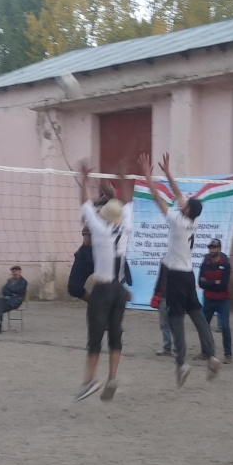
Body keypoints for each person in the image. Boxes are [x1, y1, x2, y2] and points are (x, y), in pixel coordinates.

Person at [139, 152, 219, 386]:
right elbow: (179, 197)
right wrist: (167, 172)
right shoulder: (195, 220)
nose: (182, 205)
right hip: (188, 274)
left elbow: (158, 199)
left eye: (185, 206)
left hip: (175, 275)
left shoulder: (177, 221)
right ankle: (212, 356)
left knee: (175, 318)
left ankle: (181, 362)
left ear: (187, 211)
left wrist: (147, 176)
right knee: (196, 313)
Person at [74, 163, 133, 401]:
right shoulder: (125, 227)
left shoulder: (99, 230)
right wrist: (123, 179)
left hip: (102, 290)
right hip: (119, 290)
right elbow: (127, 203)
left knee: (95, 338)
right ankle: (112, 377)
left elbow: (84, 204)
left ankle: (88, 381)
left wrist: (85, 178)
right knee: (115, 335)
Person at [198, 238, 232, 363]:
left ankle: (228, 354)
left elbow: (223, 285)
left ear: (219, 249)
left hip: (223, 300)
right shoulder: (205, 264)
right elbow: (201, 283)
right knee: (203, 327)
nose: (212, 250)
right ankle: (205, 352)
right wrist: (214, 282)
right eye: (210, 248)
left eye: (214, 248)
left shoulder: (225, 264)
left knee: (225, 327)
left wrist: (208, 283)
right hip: (209, 300)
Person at [0, 265, 28, 334]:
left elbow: (18, 290)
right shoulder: (10, 281)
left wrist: (10, 292)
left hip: (16, 300)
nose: (14, 273)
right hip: (8, 299)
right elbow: (3, 290)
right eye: (13, 272)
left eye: (15, 272)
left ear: (20, 272)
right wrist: (11, 293)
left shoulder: (23, 282)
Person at [151, 263, 174, 356]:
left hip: (176, 298)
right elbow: (160, 278)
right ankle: (167, 347)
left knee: (175, 324)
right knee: (164, 324)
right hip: (163, 296)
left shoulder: (181, 262)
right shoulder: (164, 262)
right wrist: (155, 294)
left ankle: (177, 348)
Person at [67, 227, 94, 302]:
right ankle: (94, 304)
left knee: (110, 284)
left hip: (109, 249)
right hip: (88, 250)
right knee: (74, 288)